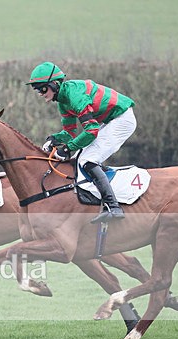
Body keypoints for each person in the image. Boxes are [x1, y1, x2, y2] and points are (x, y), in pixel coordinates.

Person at [26, 61, 136, 223]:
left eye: (42, 88)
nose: (40, 93)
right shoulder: (63, 101)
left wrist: (67, 148)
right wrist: (55, 139)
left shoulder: (75, 96)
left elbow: (91, 130)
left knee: (87, 159)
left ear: (54, 84)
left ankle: (114, 207)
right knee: (79, 158)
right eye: (37, 89)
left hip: (122, 119)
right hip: (110, 120)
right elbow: (70, 133)